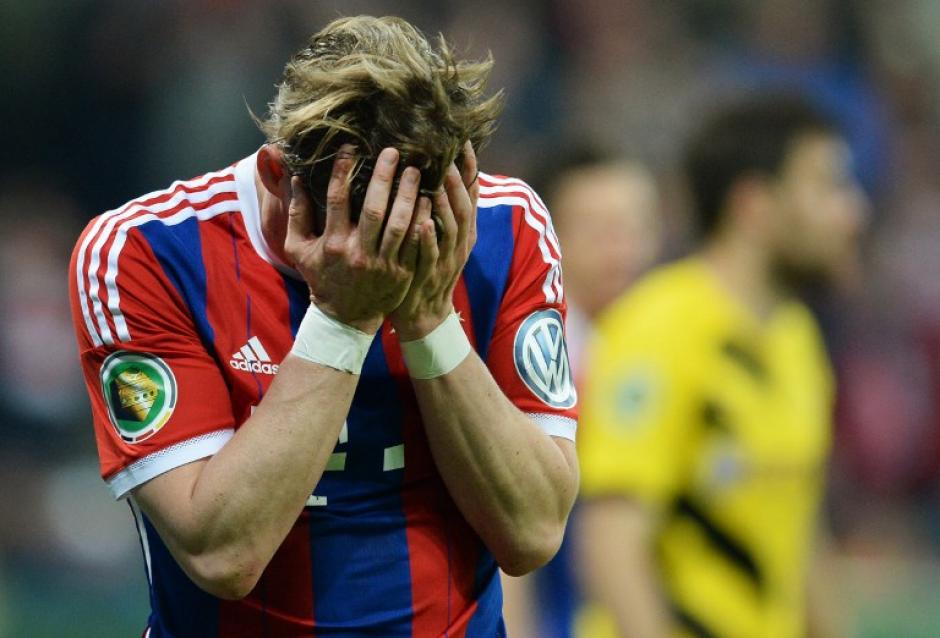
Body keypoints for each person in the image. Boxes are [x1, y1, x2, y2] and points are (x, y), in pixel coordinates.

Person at [68, 16, 579, 637]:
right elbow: (220, 554)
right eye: (363, 225)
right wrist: (343, 318)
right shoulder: (145, 253)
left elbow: (533, 533)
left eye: (414, 223)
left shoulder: (506, 226)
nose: (392, 251)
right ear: (277, 176)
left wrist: (428, 317)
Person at [576, 94, 866, 638]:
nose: (853, 211)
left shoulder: (795, 334)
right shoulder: (659, 327)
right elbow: (613, 540)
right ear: (754, 204)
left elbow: (799, 529)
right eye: (828, 187)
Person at [501, 149, 663, 638]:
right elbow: (509, 535)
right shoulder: (529, 364)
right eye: (600, 231)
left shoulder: (665, 348)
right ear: (549, 240)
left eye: (636, 228)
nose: (623, 250)